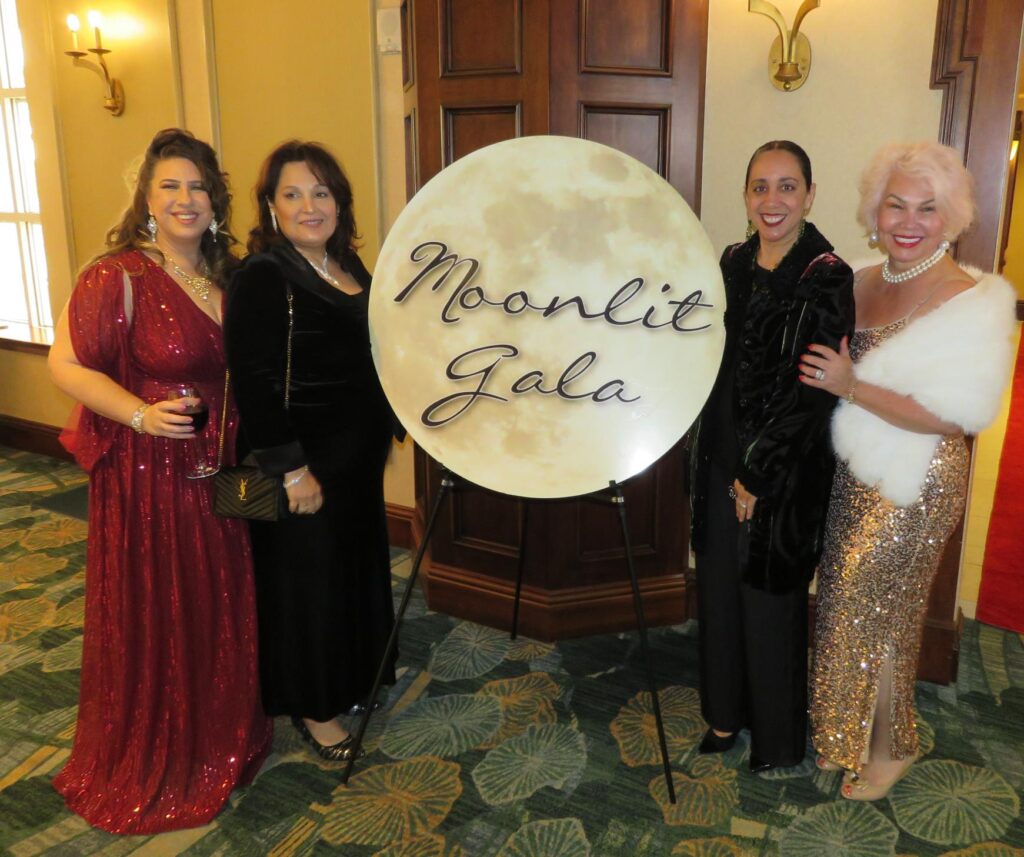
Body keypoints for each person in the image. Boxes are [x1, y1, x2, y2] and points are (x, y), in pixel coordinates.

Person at [47, 128, 272, 833]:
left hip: (227, 465)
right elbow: (66, 365)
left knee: (225, 592)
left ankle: (223, 733)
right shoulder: (118, 274)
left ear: (216, 200)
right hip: (150, 474)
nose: (186, 198)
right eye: (170, 185)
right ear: (146, 198)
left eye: (198, 186)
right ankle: (166, 747)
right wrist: (142, 415)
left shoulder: (224, 276)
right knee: (166, 602)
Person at [803, 142, 1016, 800]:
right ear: (876, 209)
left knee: (884, 610)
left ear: (951, 216)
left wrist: (849, 386)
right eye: (895, 203)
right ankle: (846, 731)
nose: (908, 219)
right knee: (844, 600)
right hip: (853, 470)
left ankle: (891, 744)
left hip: (916, 477)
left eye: (927, 207)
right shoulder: (861, 275)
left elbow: (955, 418)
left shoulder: (972, 298)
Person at [224, 141, 400, 761]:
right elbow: (255, 379)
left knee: (350, 572)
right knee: (307, 589)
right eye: (292, 194)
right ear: (271, 206)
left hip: (354, 463)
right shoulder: (264, 275)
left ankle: (352, 679)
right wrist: (292, 468)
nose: (308, 206)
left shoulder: (348, 263)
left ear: (339, 203)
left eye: (321, 192)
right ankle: (315, 709)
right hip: (303, 465)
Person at [689, 140, 855, 773]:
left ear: (810, 195)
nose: (772, 200)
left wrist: (758, 474)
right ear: (747, 196)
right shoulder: (730, 261)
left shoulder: (826, 273)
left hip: (783, 469)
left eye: (787, 187)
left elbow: (815, 391)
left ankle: (777, 741)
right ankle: (724, 717)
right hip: (719, 454)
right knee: (720, 593)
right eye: (760, 187)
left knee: (768, 600)